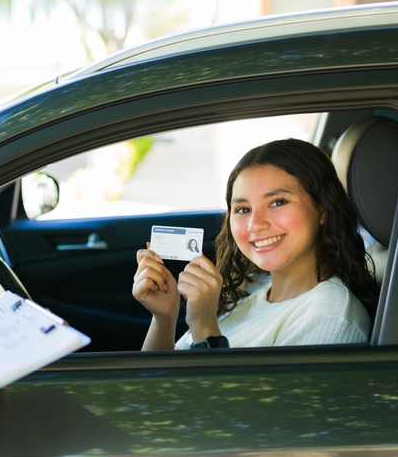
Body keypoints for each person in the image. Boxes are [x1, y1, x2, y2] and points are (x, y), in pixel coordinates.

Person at [134, 138, 378, 350]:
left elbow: (233, 405)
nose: (254, 224)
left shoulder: (329, 318)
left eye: (278, 202)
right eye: (243, 209)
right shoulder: (251, 285)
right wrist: (165, 319)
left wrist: (205, 326)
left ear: (323, 209)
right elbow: (153, 388)